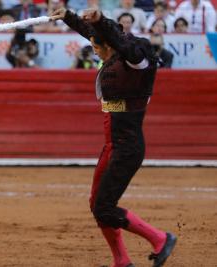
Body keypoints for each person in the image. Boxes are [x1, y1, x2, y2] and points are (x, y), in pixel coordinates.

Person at [50, 7, 177, 267]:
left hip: (127, 148)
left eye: (97, 45)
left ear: (109, 44)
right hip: (113, 146)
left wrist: (100, 20)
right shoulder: (114, 53)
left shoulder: (133, 63)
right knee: (97, 204)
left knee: (104, 207)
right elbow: (96, 34)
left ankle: (160, 238)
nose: (93, 48)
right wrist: (67, 16)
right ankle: (121, 260)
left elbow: (118, 42)